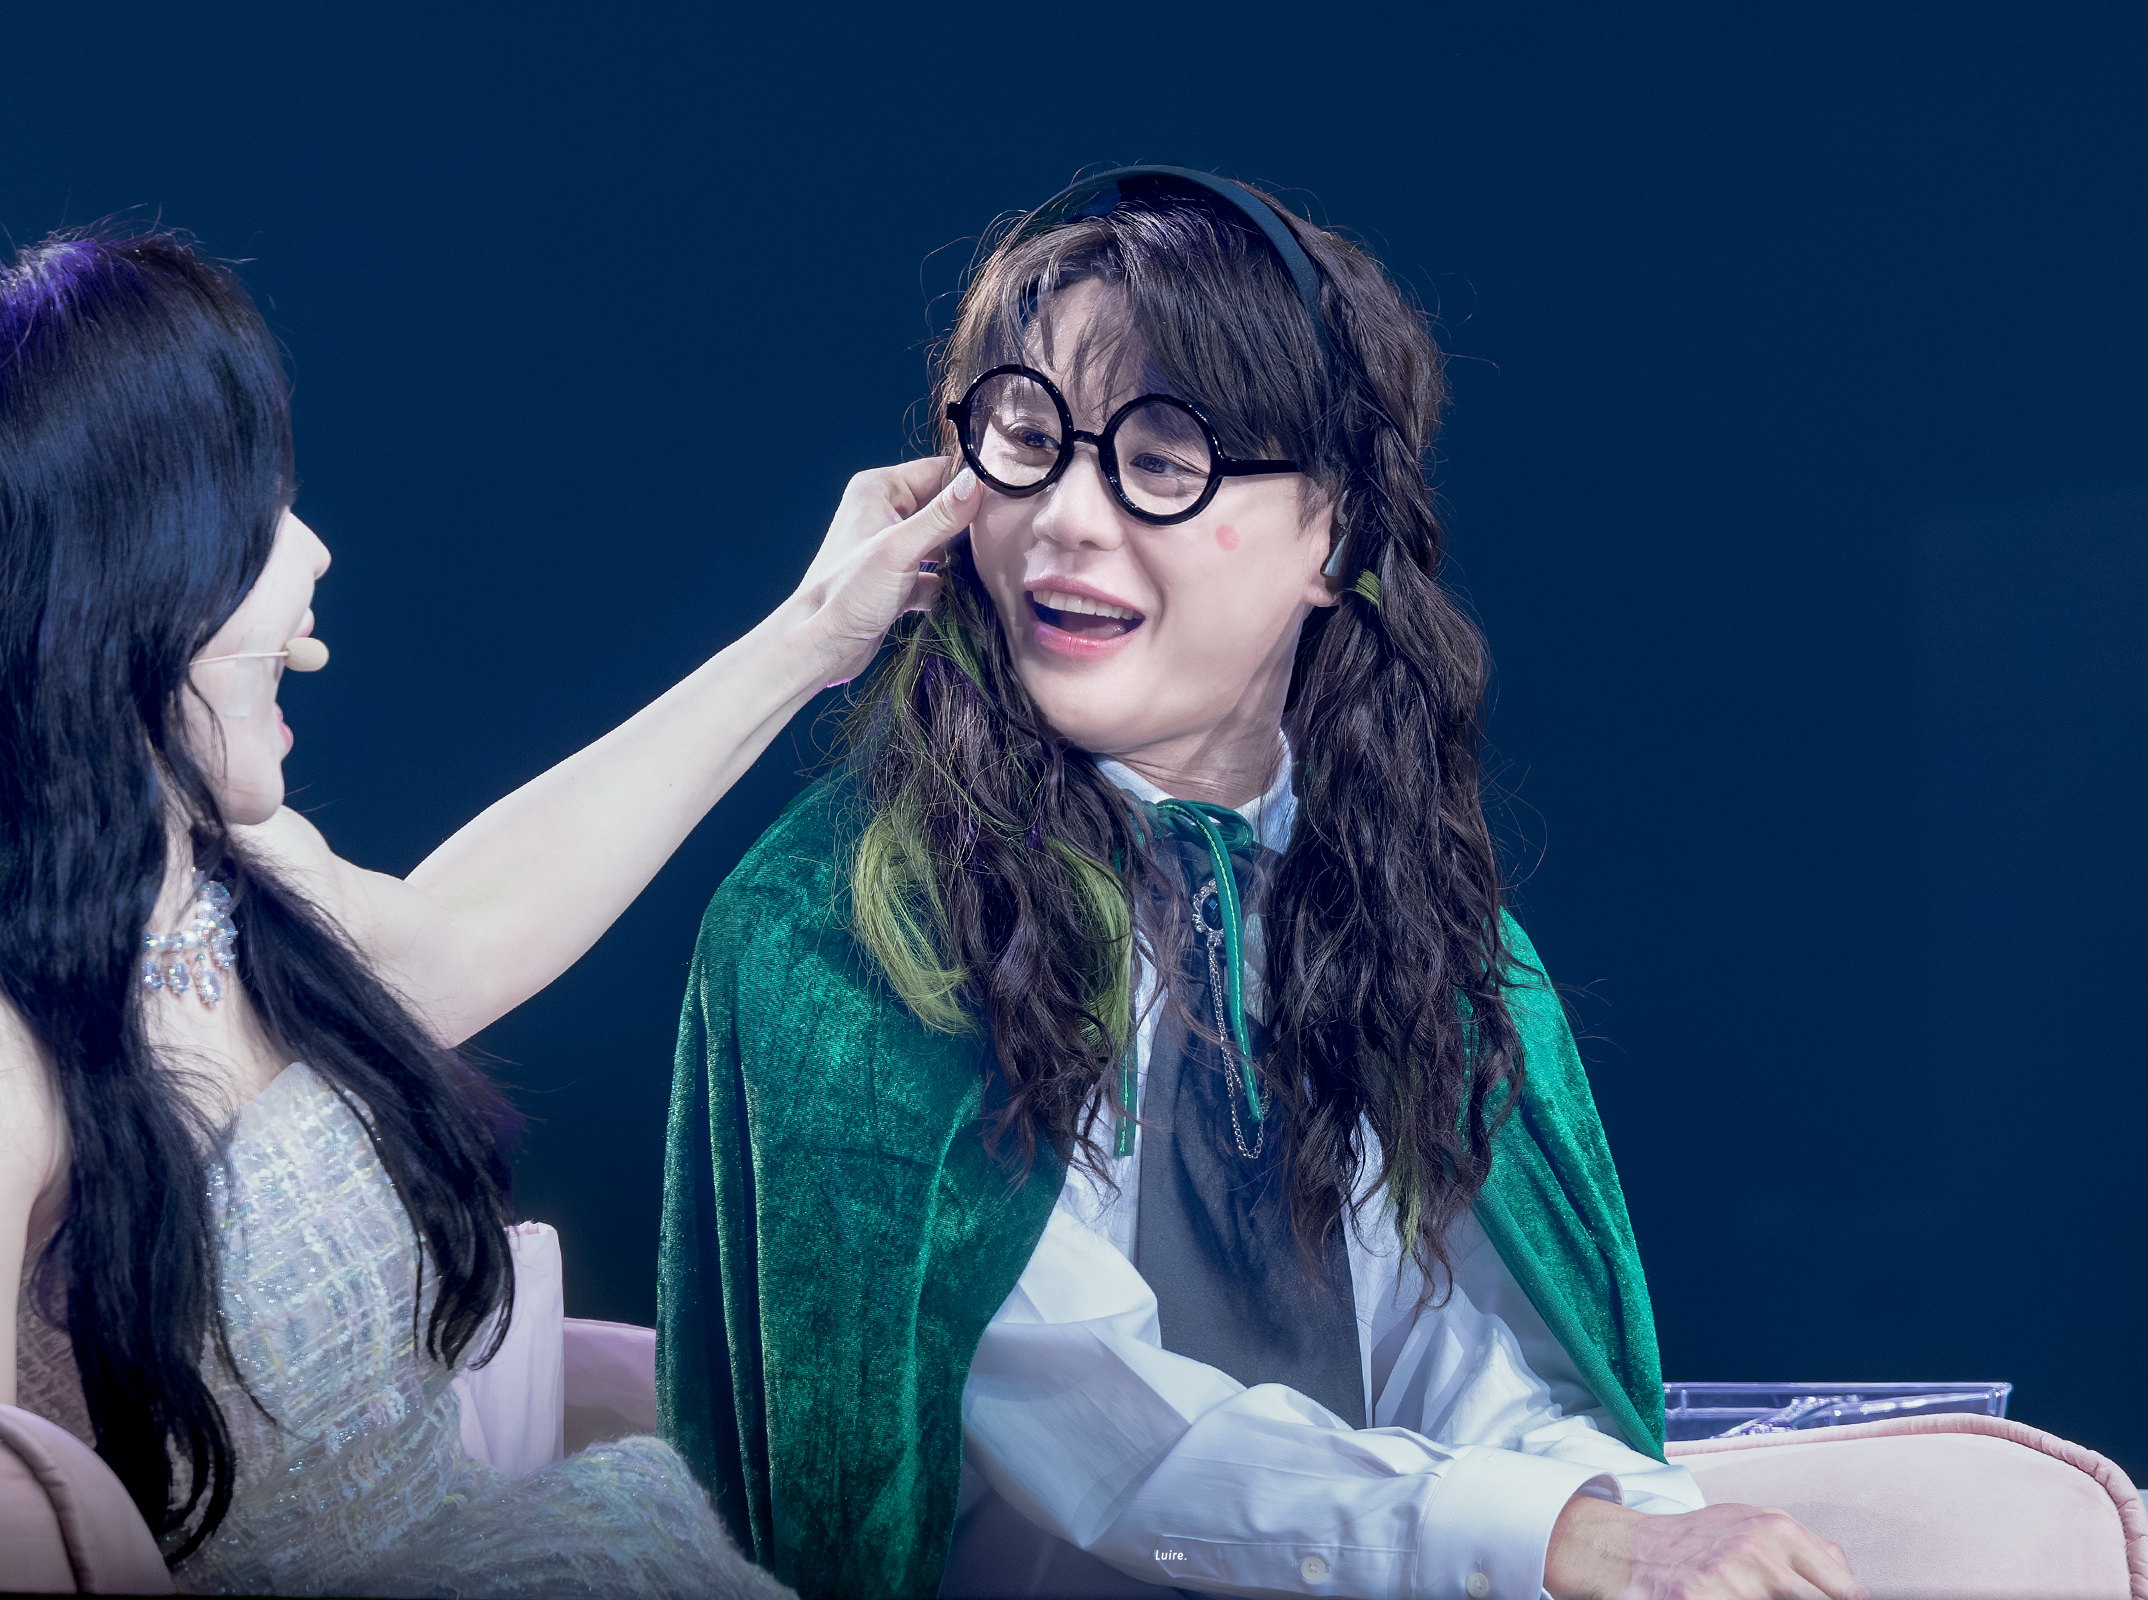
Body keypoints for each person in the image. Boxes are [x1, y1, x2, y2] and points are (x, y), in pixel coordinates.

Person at [660, 170, 1869, 1600]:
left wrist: (1625, 1519)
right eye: (1028, 440)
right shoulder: (845, 929)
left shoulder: (1417, 922)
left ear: (1335, 536)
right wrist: (1543, 1537)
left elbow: (1472, 1361)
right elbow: (1097, 1426)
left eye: (1162, 460)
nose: (1067, 519)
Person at [0, 230, 981, 1595]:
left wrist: (815, 632)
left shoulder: (247, 874)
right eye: (257, 512)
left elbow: (475, 925)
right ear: (116, 575)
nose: (313, 550)